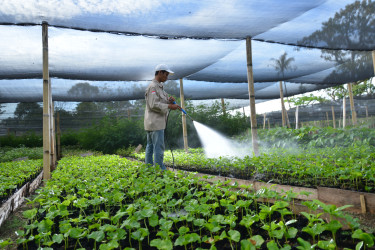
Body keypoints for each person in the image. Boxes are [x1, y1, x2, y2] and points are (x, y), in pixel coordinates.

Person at [144, 64, 180, 170]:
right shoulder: (153, 87)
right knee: (158, 147)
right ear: (160, 72)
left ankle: (149, 169)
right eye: (166, 74)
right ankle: (160, 170)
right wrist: (169, 106)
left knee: (150, 147)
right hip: (156, 123)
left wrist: (169, 101)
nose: (167, 77)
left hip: (153, 123)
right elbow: (153, 104)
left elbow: (158, 101)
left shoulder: (159, 87)